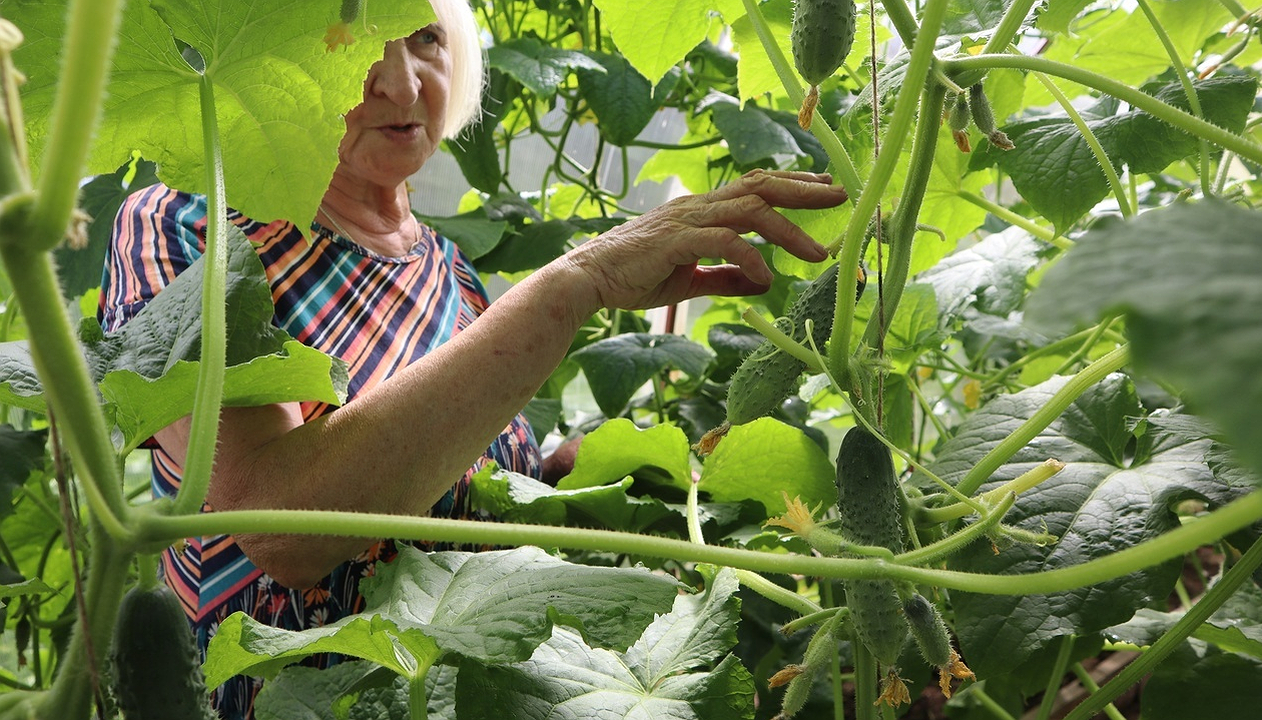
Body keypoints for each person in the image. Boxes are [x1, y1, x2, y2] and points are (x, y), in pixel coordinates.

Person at [99, 0, 847, 716]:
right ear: (271, 61)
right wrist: (574, 284)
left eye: (424, 37)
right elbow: (285, 531)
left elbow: (453, 493)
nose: (400, 81)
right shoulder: (189, 225)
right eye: (354, 38)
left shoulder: (451, 272)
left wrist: (568, 474)